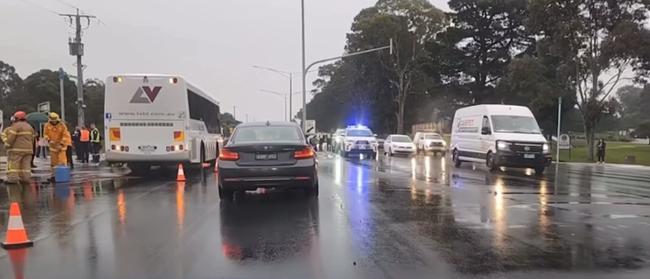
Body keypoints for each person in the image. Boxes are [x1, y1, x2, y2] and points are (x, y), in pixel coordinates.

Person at [3, 111, 35, 184]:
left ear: (17, 118)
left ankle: (12, 179)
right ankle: (25, 179)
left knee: (14, 164)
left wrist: (7, 144)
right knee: (26, 165)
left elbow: (11, 137)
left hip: (17, 150)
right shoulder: (29, 126)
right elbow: (32, 139)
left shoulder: (16, 126)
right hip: (29, 150)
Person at [44, 112, 69, 181]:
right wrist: (49, 140)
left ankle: (62, 176)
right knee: (53, 163)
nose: (54, 121)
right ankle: (54, 176)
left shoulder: (62, 125)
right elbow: (45, 134)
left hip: (61, 147)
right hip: (53, 147)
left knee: (62, 162)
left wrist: (61, 144)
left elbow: (65, 135)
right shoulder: (47, 125)